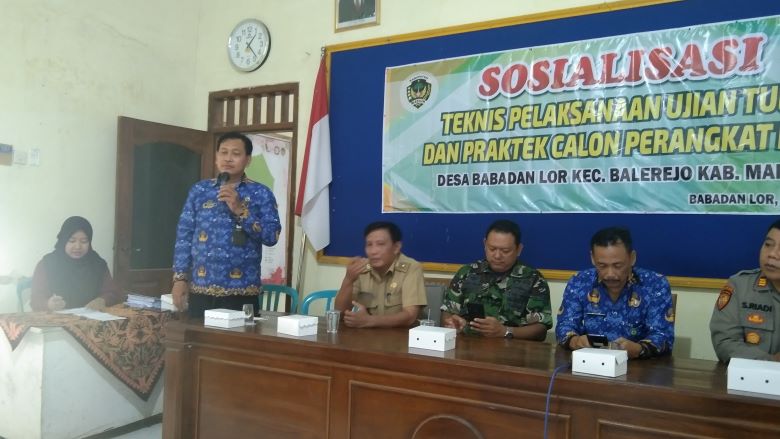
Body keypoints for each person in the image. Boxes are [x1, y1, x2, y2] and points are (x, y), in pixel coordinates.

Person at [172, 132, 281, 317]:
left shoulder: (261, 193)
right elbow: (184, 236)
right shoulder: (199, 191)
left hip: (241, 292)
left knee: (239, 337)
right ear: (216, 157)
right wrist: (180, 278)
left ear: (248, 160)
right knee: (197, 336)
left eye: (236, 153)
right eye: (224, 152)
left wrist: (240, 210)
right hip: (200, 290)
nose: (228, 158)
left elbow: (272, 236)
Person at [556, 227, 675, 359]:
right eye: (602, 266)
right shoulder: (579, 281)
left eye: (618, 266)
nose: (610, 274)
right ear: (592, 258)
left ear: (632, 258)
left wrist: (639, 349)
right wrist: (575, 341)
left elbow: (663, 336)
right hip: (590, 361)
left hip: (638, 365)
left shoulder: (655, 284)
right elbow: (565, 325)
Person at [441, 220, 552, 340]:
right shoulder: (467, 273)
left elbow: (541, 330)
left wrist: (505, 331)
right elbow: (447, 311)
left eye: (505, 251)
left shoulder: (533, 279)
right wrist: (453, 323)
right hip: (467, 345)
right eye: (492, 249)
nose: (497, 256)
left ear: (519, 249)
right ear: (485, 244)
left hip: (511, 348)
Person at [710, 219, 780, 363]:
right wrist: (772, 362)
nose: (772, 254)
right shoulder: (740, 285)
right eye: (768, 245)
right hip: (749, 376)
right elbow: (724, 343)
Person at [334, 221, 427, 328]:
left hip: (402, 334)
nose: (373, 251)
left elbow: (410, 315)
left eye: (380, 244)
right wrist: (348, 279)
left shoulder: (412, 268)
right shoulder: (361, 269)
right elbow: (340, 313)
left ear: (396, 247)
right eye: (369, 245)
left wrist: (369, 321)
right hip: (366, 334)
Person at [30, 216, 125, 311]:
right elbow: (35, 299)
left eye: (84, 241)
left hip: (90, 317)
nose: (78, 246)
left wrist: (102, 300)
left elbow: (113, 292)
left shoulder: (98, 264)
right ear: (63, 241)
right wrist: (48, 304)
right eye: (72, 241)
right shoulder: (48, 263)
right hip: (57, 318)